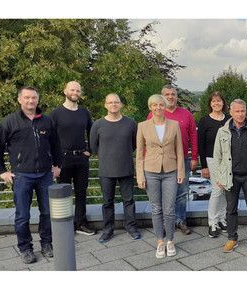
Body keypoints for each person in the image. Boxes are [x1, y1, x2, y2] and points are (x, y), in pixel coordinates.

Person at [0, 86, 62, 264]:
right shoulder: (9, 122)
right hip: (22, 176)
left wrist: (57, 166)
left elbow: (57, 146)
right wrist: (2, 171)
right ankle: (25, 248)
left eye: (34, 98)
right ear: (19, 100)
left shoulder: (47, 121)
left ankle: (47, 244)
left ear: (38, 100)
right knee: (22, 215)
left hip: (45, 175)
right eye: (27, 98)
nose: (31, 101)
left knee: (47, 213)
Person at [213, 99, 247, 253]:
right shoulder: (222, 131)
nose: (240, 114)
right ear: (231, 112)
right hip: (231, 177)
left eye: (242, 111)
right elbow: (217, 157)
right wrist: (219, 178)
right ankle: (232, 239)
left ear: (246, 111)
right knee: (231, 209)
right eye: (237, 111)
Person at [137, 94, 185, 258]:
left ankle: (170, 240)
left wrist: (180, 171)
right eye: (155, 105)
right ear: (150, 107)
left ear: (165, 107)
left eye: (161, 105)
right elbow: (139, 154)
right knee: (156, 208)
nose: (158, 108)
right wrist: (140, 176)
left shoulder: (174, 124)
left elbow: (179, 150)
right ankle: (160, 242)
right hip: (150, 171)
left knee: (170, 209)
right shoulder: (142, 126)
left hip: (171, 171)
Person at [147, 85, 198, 235]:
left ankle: (180, 220)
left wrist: (194, 157)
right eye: (167, 94)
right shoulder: (153, 115)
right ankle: (164, 222)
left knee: (181, 193)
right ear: (162, 97)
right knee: (163, 193)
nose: (170, 97)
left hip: (183, 160)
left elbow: (193, 137)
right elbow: (147, 139)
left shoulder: (186, 114)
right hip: (161, 161)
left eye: (173, 94)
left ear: (176, 97)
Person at [90, 94, 140, 243]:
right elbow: (94, 146)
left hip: (126, 168)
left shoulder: (131, 123)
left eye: (116, 102)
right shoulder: (98, 125)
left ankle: (131, 228)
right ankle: (108, 230)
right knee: (107, 202)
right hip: (106, 170)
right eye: (110, 102)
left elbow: (135, 144)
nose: (113, 105)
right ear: (105, 105)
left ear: (121, 105)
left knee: (129, 200)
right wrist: (107, 156)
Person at [50, 81, 95, 236]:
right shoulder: (55, 114)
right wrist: (53, 162)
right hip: (62, 160)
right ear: (65, 91)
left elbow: (92, 132)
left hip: (81, 158)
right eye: (72, 90)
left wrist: (90, 150)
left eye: (78, 90)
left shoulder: (85, 113)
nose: (75, 92)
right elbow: (49, 138)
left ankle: (81, 224)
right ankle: (65, 225)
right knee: (63, 194)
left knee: (81, 192)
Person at [197, 91, 231, 238]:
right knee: (217, 190)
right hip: (211, 160)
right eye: (214, 101)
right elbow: (201, 145)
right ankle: (212, 222)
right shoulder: (205, 121)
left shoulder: (229, 120)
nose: (216, 103)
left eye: (219, 101)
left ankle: (223, 219)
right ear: (210, 104)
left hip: (228, 160)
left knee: (225, 190)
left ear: (223, 103)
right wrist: (203, 165)